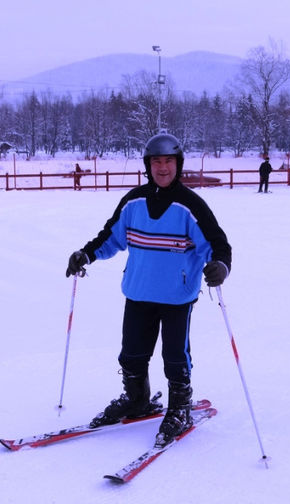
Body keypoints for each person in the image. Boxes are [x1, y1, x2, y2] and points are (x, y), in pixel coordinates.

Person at [65, 132, 232, 448]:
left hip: (176, 297)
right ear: (148, 165)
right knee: (131, 353)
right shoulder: (133, 202)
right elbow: (110, 237)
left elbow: (217, 244)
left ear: (178, 165)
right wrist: (85, 254)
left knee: (175, 356)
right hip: (139, 292)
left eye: (169, 161)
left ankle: (179, 408)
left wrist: (220, 266)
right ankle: (137, 398)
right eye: (157, 161)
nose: (163, 168)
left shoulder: (190, 205)